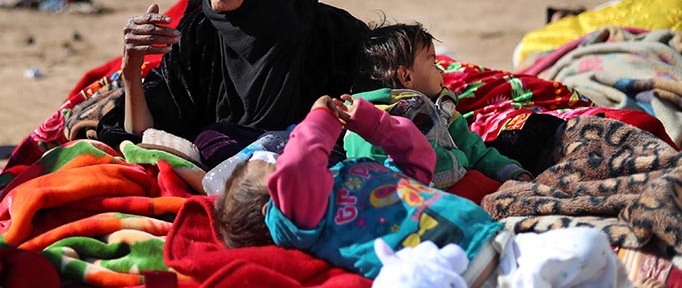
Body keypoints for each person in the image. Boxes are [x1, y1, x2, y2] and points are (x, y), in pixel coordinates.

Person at [213, 95, 631, 288]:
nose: (279, 159)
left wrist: (374, 124)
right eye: (269, 168)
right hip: (448, 275)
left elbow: (418, 163)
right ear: (269, 205)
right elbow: (299, 166)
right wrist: (319, 119)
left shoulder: (351, 173)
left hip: (499, 247)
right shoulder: (295, 216)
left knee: (589, 245)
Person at [96, 0, 371, 168]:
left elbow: (370, 128)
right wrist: (131, 73)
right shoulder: (199, 32)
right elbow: (145, 136)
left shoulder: (334, 36)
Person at [345, 22, 532, 204]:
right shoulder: (366, 125)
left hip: (457, 188)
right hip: (413, 204)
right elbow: (372, 181)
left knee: (485, 182)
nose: (441, 70)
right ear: (406, 76)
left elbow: (476, 151)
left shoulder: (443, 112)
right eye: (433, 63)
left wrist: (511, 171)